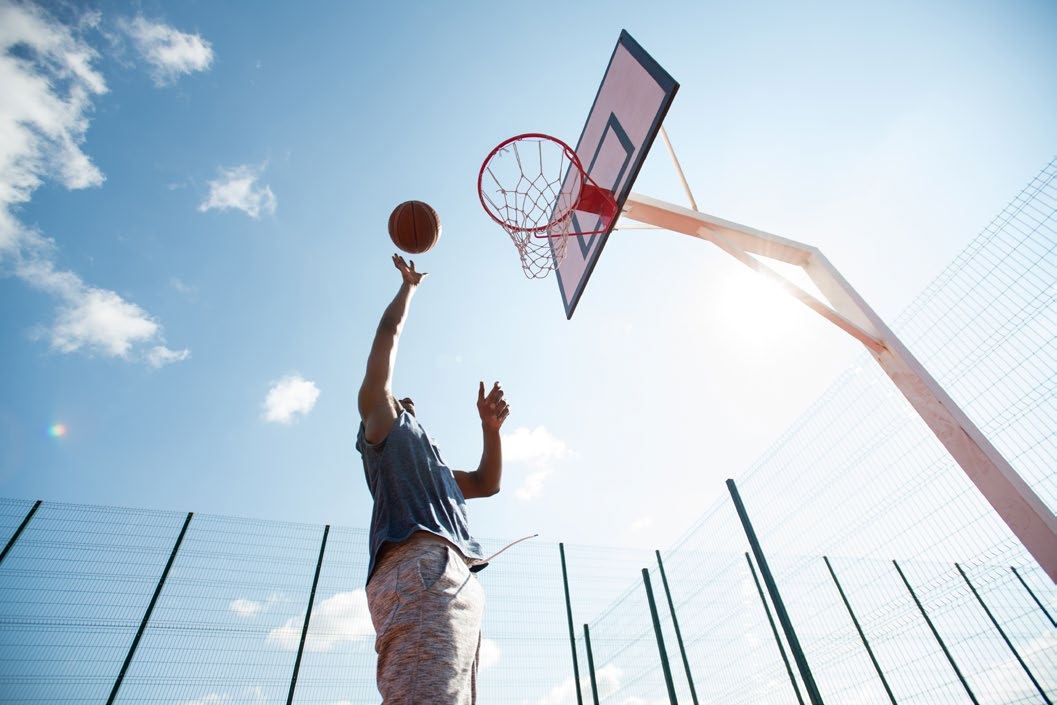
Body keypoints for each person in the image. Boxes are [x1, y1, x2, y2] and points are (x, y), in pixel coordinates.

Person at [356, 253, 510, 705]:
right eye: (396, 399)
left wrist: (490, 430)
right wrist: (410, 287)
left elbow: (486, 483)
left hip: (447, 574)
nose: (406, 400)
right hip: (421, 569)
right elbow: (388, 334)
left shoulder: (433, 468)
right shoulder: (387, 430)